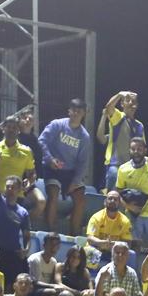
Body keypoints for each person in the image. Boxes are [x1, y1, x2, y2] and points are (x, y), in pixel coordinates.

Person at [39, 99, 92, 235]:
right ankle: (52, 232)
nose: (75, 114)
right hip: (52, 169)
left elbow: (83, 162)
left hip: (70, 173)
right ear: (69, 111)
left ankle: (73, 235)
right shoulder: (57, 125)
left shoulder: (84, 136)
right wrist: (50, 159)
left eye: (79, 112)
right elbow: (42, 141)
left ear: (83, 114)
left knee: (80, 199)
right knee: (54, 193)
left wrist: (75, 182)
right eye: (73, 110)